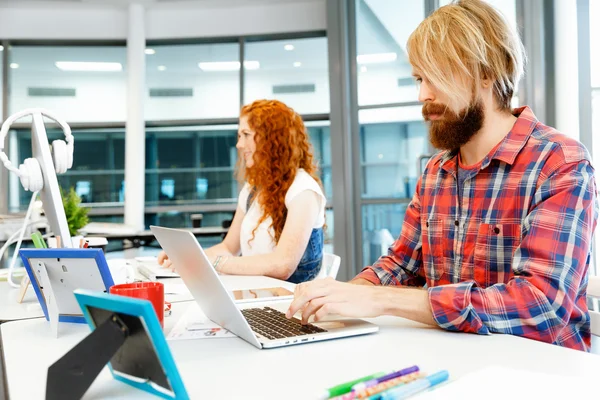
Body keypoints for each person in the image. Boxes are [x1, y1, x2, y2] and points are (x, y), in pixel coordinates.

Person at [287, 0, 598, 351]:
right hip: (453, 359)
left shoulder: (558, 164)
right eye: (420, 78)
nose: (422, 95)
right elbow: (401, 265)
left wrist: (383, 301)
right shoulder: (437, 170)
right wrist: (344, 295)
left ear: (487, 72)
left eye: (436, 76)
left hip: (540, 373)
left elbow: (541, 305)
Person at [158, 99, 327, 283]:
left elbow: (282, 265)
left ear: (272, 139)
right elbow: (229, 248)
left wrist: (216, 263)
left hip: (294, 305)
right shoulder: (253, 189)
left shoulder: (303, 190)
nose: (239, 144)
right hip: (261, 298)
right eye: (239, 136)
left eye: (246, 135)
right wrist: (188, 257)